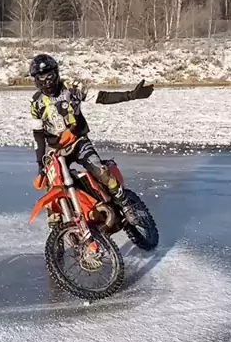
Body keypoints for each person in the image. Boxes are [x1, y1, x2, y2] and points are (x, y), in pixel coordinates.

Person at [29, 53, 154, 225]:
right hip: (55, 150)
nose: (47, 81)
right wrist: (40, 165)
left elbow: (102, 97)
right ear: (35, 79)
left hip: (78, 141)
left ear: (56, 73)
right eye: (41, 77)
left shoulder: (71, 88)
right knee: (51, 185)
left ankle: (125, 205)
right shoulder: (36, 102)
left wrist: (131, 95)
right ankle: (56, 225)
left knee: (100, 171)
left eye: (49, 75)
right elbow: (38, 134)